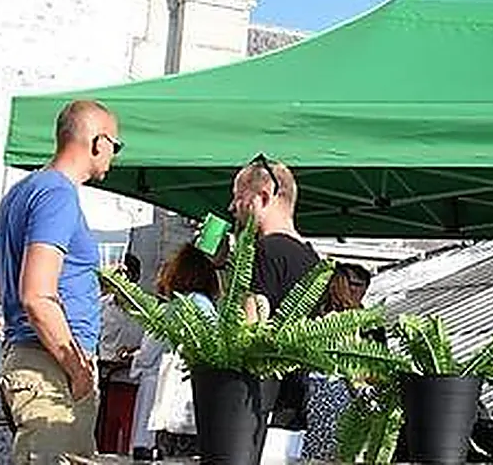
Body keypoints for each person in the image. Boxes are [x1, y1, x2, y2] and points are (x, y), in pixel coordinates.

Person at [0, 99, 121, 464]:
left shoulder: (18, 193)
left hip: (28, 358)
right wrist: (77, 370)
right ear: (97, 142)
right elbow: (35, 296)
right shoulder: (59, 194)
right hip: (52, 365)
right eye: (115, 145)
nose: (114, 155)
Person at [230, 155, 319, 435]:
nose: (232, 207)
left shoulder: (263, 253)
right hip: (300, 405)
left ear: (263, 197)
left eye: (238, 197)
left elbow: (247, 334)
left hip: (259, 409)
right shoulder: (313, 258)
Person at [135, 245, 221, 460]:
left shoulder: (172, 308)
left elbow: (148, 354)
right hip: (199, 396)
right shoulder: (208, 306)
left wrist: (134, 359)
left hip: (166, 394)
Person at [300, 263, 372, 463]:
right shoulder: (344, 321)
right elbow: (353, 367)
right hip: (337, 392)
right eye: (353, 284)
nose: (358, 290)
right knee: (338, 454)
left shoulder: (317, 318)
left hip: (316, 393)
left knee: (316, 455)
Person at [97, 253, 145, 454]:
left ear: (136, 278)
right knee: (102, 439)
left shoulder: (145, 310)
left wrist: (133, 354)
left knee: (128, 439)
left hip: (132, 382)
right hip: (103, 381)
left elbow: (153, 345)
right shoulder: (101, 306)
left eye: (126, 275)